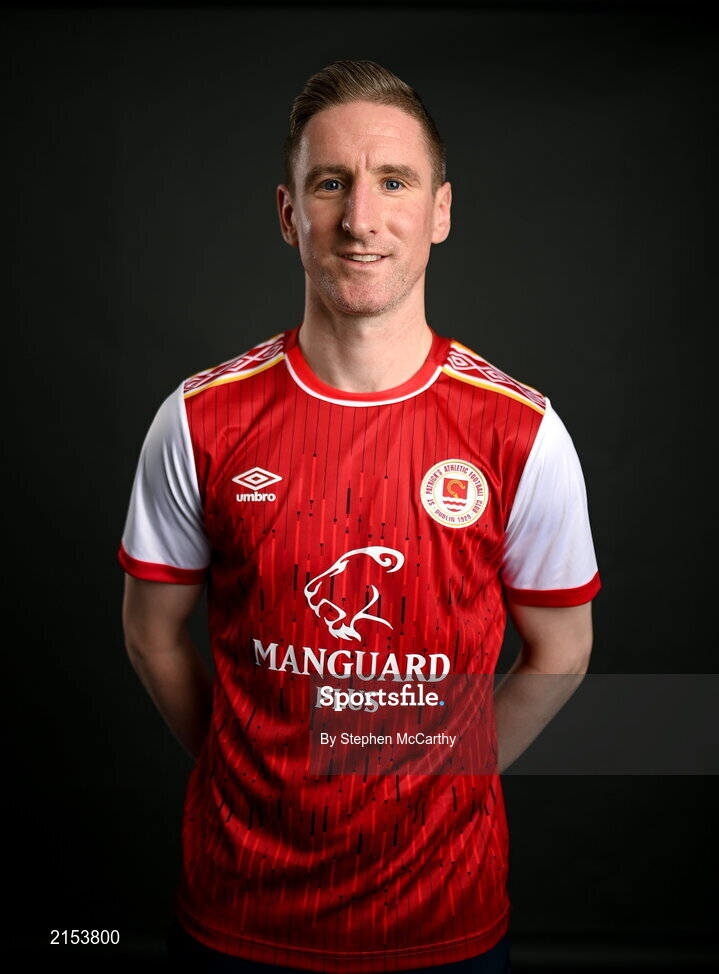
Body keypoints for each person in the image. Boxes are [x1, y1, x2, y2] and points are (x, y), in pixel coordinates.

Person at [118, 60, 601, 974]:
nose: (360, 219)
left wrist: (440, 782)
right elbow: (151, 637)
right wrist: (246, 772)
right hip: (235, 918)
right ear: (287, 211)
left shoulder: (520, 431)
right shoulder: (198, 419)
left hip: (442, 927)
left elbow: (563, 653)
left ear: (441, 211)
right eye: (329, 182)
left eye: (394, 181)